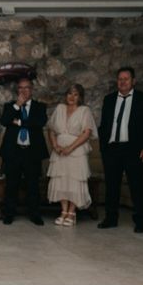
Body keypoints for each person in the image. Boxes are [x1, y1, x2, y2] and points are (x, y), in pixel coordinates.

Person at [97, 67, 143, 233]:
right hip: (112, 149)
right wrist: (103, 148)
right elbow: (105, 125)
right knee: (112, 185)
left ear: (133, 81)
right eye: (120, 79)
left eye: (126, 79)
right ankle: (111, 218)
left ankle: (140, 220)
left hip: (134, 149)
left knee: (137, 185)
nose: (122, 82)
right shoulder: (109, 99)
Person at [0, 77, 49, 225]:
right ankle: (9, 213)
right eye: (20, 88)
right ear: (17, 90)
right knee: (11, 184)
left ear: (31, 90)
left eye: (26, 87)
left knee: (33, 185)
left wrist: (19, 122)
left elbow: (39, 123)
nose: (23, 91)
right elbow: (4, 121)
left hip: (31, 152)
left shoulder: (39, 107)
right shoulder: (10, 106)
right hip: (13, 152)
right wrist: (17, 106)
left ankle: (35, 214)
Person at [46, 84, 98, 226]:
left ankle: (72, 212)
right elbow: (51, 129)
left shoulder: (84, 111)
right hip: (59, 150)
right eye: (69, 93)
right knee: (62, 179)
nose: (72, 97)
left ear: (80, 97)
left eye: (76, 94)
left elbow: (87, 133)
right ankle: (63, 211)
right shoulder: (59, 108)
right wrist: (55, 145)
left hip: (76, 150)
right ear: (66, 95)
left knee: (74, 180)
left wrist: (70, 148)